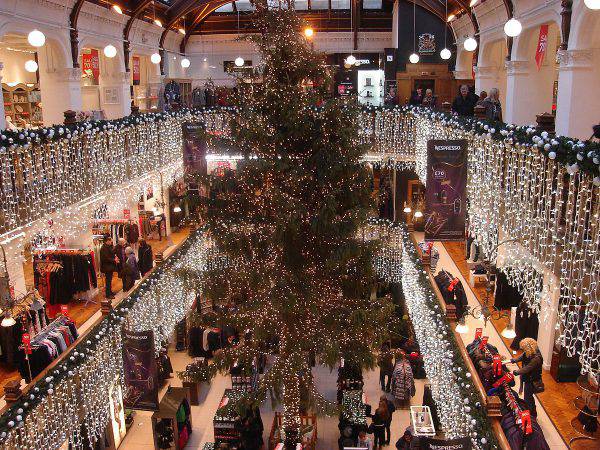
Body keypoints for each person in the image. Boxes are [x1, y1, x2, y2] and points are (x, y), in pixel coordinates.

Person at [511, 337, 543, 417]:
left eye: (523, 349)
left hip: (532, 380)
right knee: (529, 397)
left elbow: (527, 368)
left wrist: (517, 372)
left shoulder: (536, 358)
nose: (523, 350)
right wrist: (514, 360)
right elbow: (522, 356)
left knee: (528, 398)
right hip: (528, 378)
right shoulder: (529, 352)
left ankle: (531, 415)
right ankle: (532, 412)